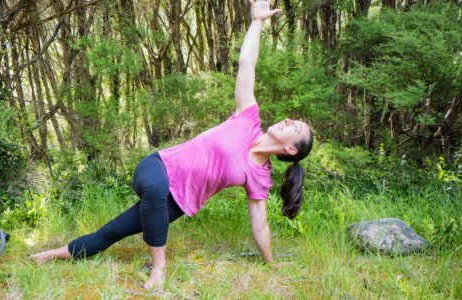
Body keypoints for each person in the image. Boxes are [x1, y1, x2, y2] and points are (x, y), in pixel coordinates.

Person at [30, 0, 313, 290]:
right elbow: (247, 64)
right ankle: (159, 269)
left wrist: (271, 261)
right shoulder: (247, 117)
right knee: (153, 190)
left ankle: (51, 255)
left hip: (177, 203)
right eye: (292, 120)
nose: (289, 120)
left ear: (291, 149)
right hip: (157, 168)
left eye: (295, 128)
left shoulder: (259, 177)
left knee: (112, 232)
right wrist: (257, 22)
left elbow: (260, 225)